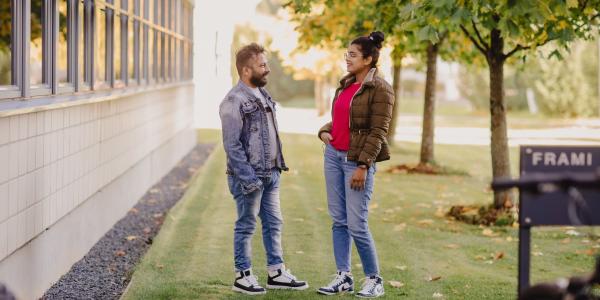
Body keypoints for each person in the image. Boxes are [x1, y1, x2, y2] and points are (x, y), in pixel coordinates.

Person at [219, 43, 309, 295]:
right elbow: (232, 145)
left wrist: (276, 167)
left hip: (271, 173)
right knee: (246, 225)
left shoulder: (263, 95)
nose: (267, 70)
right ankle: (243, 276)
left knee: (273, 223)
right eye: (262, 65)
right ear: (246, 70)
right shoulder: (233, 100)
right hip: (249, 177)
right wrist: (249, 179)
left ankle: (276, 272)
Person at [316, 31, 394, 298]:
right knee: (338, 221)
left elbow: (378, 130)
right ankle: (344, 276)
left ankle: (374, 279)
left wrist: (363, 165)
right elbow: (341, 119)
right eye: (346, 54)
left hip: (356, 162)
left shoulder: (381, 89)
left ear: (368, 59)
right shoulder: (346, 84)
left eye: (352, 55)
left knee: (357, 223)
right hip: (333, 156)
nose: (347, 59)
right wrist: (324, 131)